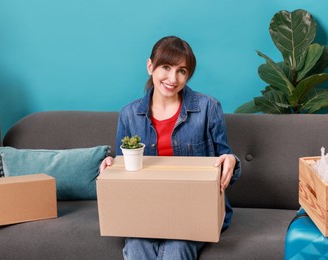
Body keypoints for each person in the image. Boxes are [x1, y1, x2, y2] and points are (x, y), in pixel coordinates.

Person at [100, 35, 241, 260]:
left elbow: (224, 164)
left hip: (196, 209)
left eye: (182, 71)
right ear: (150, 67)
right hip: (145, 210)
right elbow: (125, 174)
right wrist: (112, 166)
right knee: (137, 246)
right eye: (166, 67)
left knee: (177, 246)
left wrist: (231, 161)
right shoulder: (129, 114)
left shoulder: (208, 108)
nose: (173, 78)